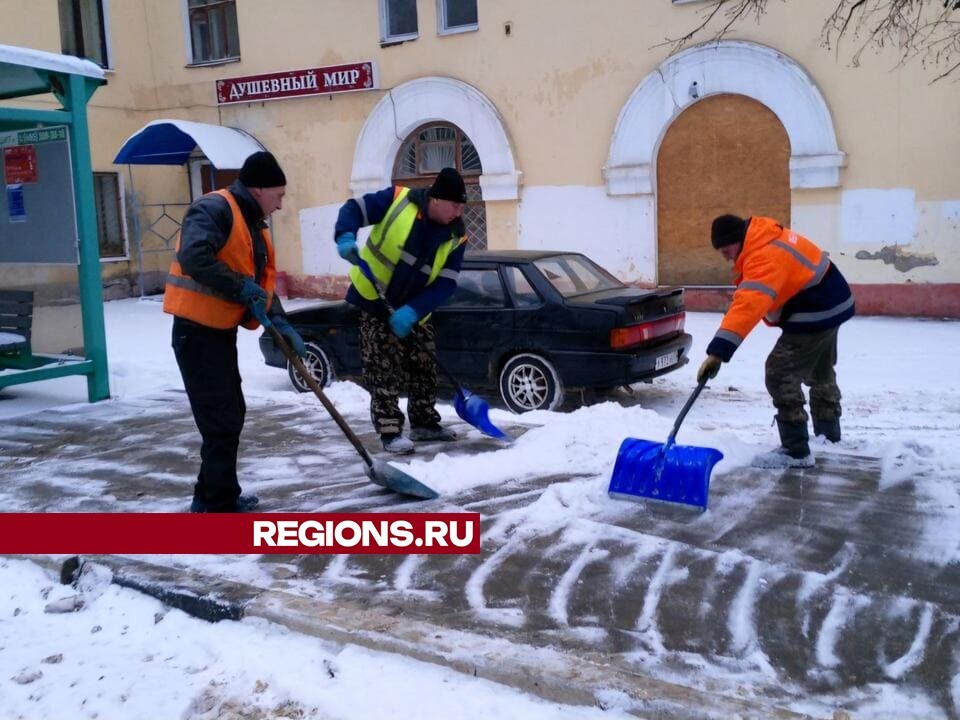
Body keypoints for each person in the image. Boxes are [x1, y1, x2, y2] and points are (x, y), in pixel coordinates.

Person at [164, 151, 306, 512]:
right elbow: (195, 257)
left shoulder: (250, 221)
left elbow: (257, 282)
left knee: (229, 414)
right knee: (221, 418)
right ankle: (214, 503)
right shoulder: (214, 209)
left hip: (216, 332)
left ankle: (216, 495)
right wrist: (239, 288)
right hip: (195, 333)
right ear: (258, 189)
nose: (280, 204)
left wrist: (281, 322)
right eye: (279, 195)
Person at [697, 214, 855, 468]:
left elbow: (749, 303)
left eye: (726, 250)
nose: (726, 257)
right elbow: (750, 296)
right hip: (832, 302)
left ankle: (795, 451)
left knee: (780, 372)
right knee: (819, 369)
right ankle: (828, 436)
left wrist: (718, 352)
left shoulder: (763, 255)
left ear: (738, 240)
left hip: (816, 309)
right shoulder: (763, 237)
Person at [333, 167, 468, 454]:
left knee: (424, 365)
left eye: (462, 206)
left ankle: (424, 424)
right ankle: (390, 432)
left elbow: (446, 283)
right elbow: (354, 209)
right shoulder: (398, 200)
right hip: (375, 299)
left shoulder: (457, 234)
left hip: (415, 310)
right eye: (455, 204)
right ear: (436, 198)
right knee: (383, 367)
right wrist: (345, 236)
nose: (458, 212)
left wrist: (413, 311)